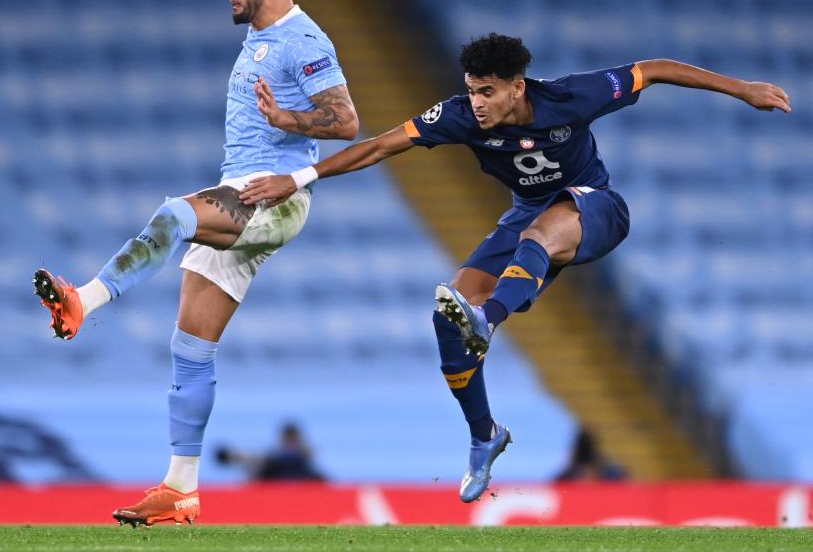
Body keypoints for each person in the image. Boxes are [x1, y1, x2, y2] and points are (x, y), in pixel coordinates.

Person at [238, 33, 791, 502]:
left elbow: (656, 68)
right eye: (472, 90)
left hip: (594, 207)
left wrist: (744, 90)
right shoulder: (458, 116)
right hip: (527, 218)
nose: (476, 102)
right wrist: (299, 178)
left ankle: (492, 317)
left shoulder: (572, 96)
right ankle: (485, 435)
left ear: (516, 87)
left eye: (487, 91)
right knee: (448, 316)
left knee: (538, 233)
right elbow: (380, 147)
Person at [32, 0, 358, 526]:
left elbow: (347, 120)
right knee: (190, 349)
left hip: (273, 198)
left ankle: (84, 299)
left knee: (176, 216)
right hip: (243, 190)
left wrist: (290, 120)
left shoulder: (304, 40)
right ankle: (181, 490)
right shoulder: (260, 40)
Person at [215, 422, 325, 481]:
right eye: (288, 440)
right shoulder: (271, 463)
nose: (291, 445)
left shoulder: (311, 474)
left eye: (293, 440)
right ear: (282, 440)